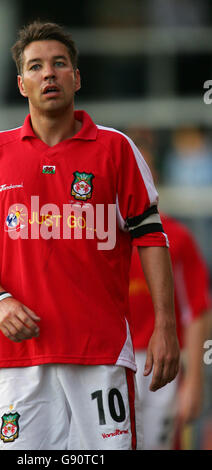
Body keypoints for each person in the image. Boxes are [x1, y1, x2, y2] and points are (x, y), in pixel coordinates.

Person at [0, 21, 180, 450]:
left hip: (101, 354)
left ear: (77, 77)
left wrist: (165, 324)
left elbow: (151, 237)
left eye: (59, 64)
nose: (49, 73)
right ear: (21, 84)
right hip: (19, 358)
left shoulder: (116, 149)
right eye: (36, 67)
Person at [126, 131, 212, 450]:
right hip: (107, 365)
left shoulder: (177, 237)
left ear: (155, 177)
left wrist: (194, 381)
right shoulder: (97, 238)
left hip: (161, 369)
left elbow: (197, 312)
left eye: (143, 173)